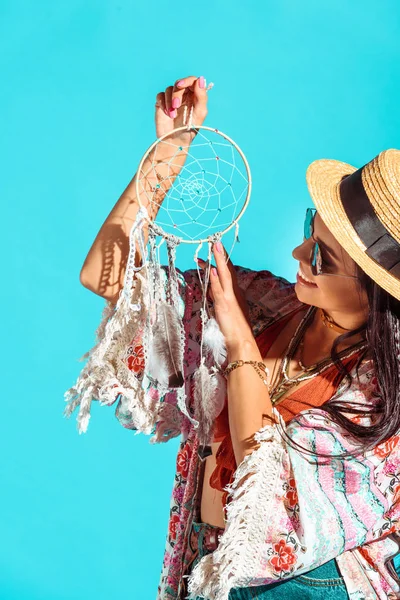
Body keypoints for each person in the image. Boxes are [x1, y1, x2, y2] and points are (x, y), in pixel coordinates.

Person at [77, 75, 400, 599]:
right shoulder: (270, 305)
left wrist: (240, 344)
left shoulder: (384, 399)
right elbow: (109, 281)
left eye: (322, 258)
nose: (298, 257)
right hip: (208, 571)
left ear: (379, 296)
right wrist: (167, 156)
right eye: (307, 231)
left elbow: (270, 508)